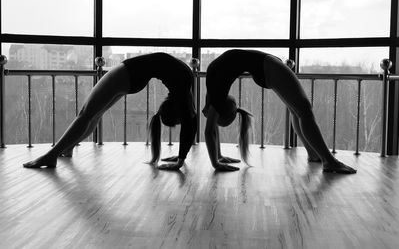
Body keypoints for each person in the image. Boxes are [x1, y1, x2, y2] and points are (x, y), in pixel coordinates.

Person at [23, 53, 197, 170]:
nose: (182, 119)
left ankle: (51, 155)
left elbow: (190, 122)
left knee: (86, 114)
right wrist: (181, 158)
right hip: (133, 78)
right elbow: (191, 121)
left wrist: (181, 160)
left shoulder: (184, 87)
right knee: (93, 115)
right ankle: (67, 149)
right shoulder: (183, 92)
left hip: (129, 74)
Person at [203, 49, 356, 174]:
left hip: (265, 68)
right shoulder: (215, 94)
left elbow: (210, 130)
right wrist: (217, 160)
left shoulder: (215, 96)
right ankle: (329, 161)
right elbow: (211, 130)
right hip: (268, 66)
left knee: (298, 111)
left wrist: (217, 159)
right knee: (304, 111)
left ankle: (315, 155)